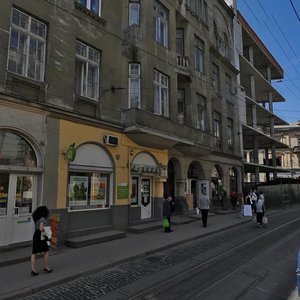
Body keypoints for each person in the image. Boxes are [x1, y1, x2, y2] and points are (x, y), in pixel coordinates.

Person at [31, 206, 53, 276]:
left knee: (34, 252)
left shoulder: (36, 218)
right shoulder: (42, 219)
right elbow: (41, 228)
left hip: (35, 235)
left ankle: (33, 269)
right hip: (41, 235)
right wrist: (48, 229)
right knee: (46, 251)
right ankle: (46, 267)